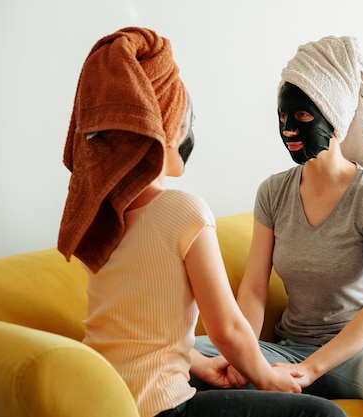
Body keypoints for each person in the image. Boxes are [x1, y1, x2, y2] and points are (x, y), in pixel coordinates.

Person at [57, 27, 346, 417]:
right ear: (166, 130)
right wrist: (266, 377)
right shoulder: (184, 211)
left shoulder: (103, 216)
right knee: (323, 415)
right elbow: (226, 327)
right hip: (161, 408)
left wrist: (197, 361)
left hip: (104, 401)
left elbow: (131, 331)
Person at [193, 36, 363, 417]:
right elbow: (254, 290)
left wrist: (309, 370)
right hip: (288, 345)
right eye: (282, 118)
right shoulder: (272, 192)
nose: (290, 129)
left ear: (335, 119)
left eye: (303, 117)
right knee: (182, 351)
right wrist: (243, 356)